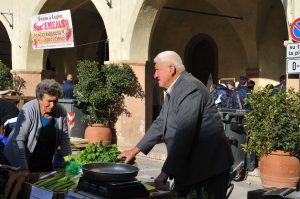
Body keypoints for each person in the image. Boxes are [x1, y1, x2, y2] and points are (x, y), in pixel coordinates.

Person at [118, 51, 234, 198]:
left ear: (171, 69)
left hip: (207, 171)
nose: (155, 75)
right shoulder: (175, 89)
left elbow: (185, 134)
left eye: (157, 69)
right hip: (192, 169)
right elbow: (160, 123)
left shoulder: (189, 88)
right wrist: (135, 150)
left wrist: (166, 171)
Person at [3, 79, 71, 173]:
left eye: (55, 101)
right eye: (49, 101)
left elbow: (64, 140)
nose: (52, 105)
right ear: (39, 98)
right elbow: (18, 139)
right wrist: (23, 167)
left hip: (43, 161)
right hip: (19, 159)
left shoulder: (61, 111)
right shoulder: (29, 109)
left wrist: (69, 162)